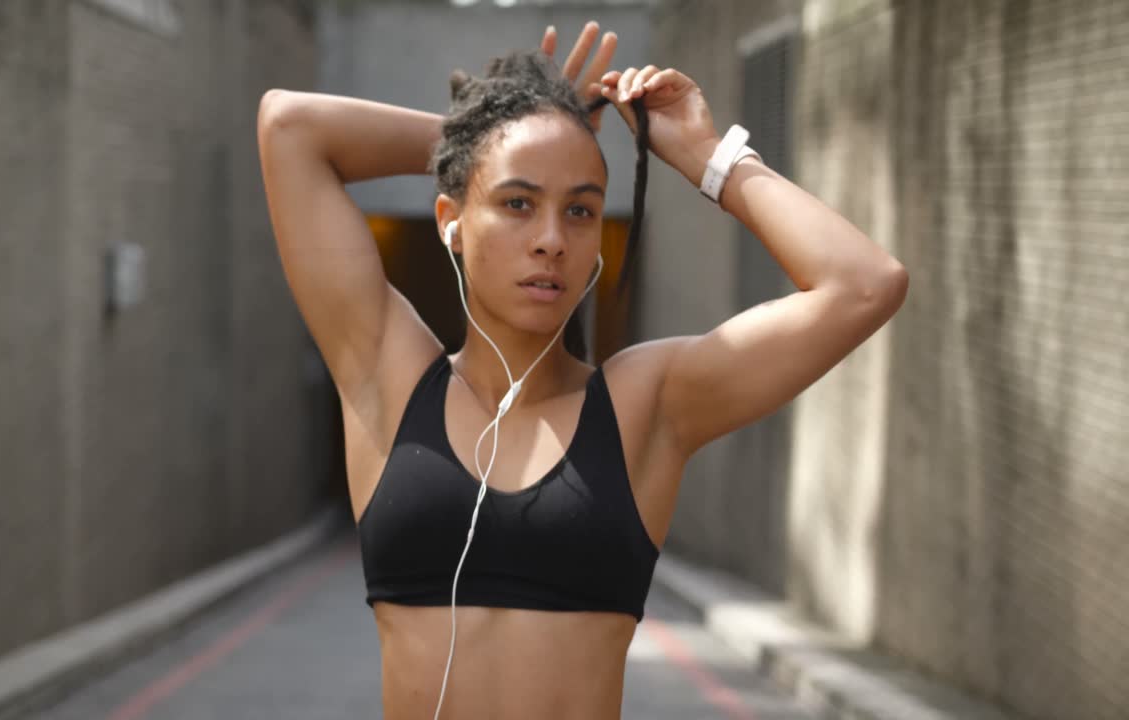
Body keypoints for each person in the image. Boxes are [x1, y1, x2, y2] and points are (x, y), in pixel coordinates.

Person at [257, 20, 907, 720]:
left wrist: (704, 157)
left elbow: (865, 283)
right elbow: (289, 127)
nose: (550, 240)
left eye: (579, 210)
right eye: (516, 202)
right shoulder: (387, 374)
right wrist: (500, 134)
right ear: (452, 218)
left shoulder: (645, 405)